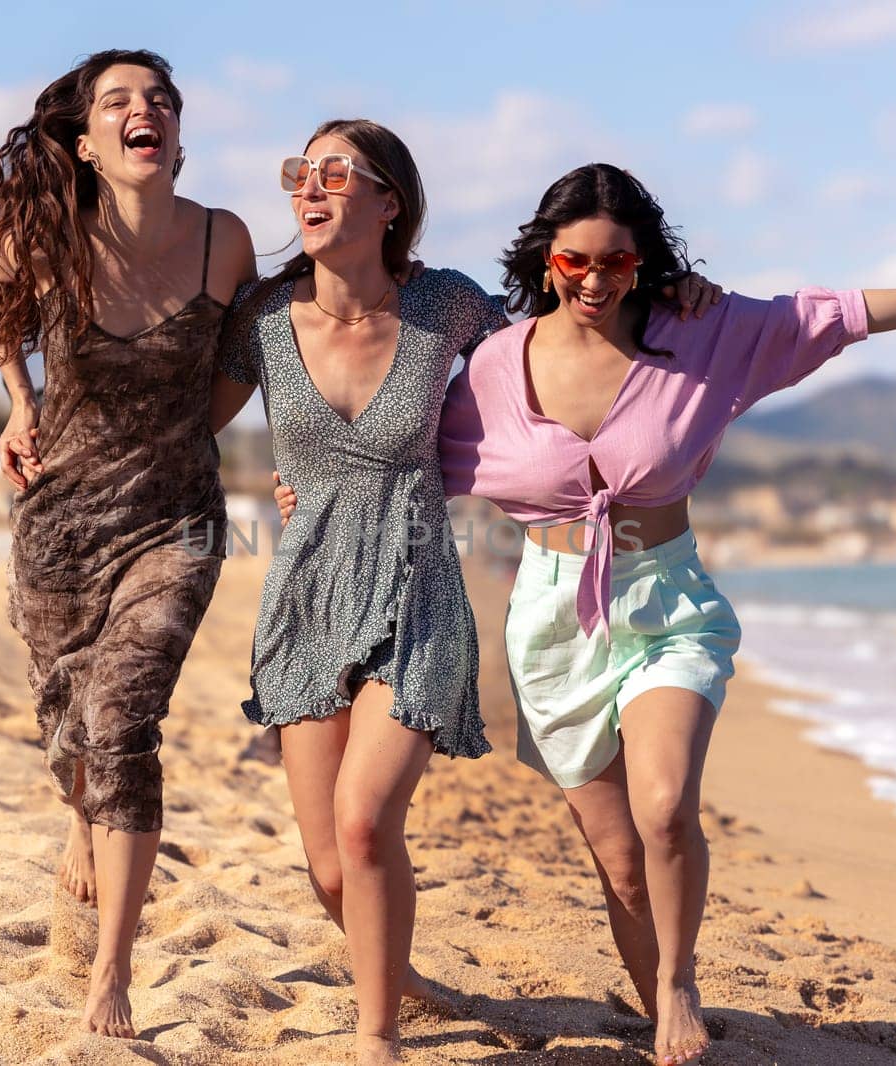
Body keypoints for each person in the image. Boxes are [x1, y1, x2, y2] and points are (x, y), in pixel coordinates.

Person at [279, 162, 896, 1064]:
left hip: (669, 602)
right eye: (575, 263)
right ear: (546, 260)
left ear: (643, 262)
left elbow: (830, 315)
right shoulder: (494, 365)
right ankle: (659, 1016)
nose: (596, 282)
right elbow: (398, 463)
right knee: (619, 864)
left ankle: (679, 985)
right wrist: (313, 496)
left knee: (665, 805)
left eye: (616, 262)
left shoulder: (702, 332)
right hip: (553, 623)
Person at [211, 124, 716, 1065]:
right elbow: (184, 423)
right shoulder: (262, 320)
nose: (307, 190)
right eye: (298, 175)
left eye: (333, 174)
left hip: (415, 592)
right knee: (330, 865)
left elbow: (568, 333)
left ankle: (377, 1036)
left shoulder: (446, 308)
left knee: (366, 822)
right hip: (305, 593)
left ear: (389, 201)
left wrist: (673, 298)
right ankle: (395, 976)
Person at [0, 49, 257, 1039]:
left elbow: (248, 358)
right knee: (67, 726)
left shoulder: (223, 239)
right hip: (62, 521)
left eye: (159, 100)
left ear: (175, 132)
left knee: (120, 724)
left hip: (177, 519)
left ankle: (111, 972)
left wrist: (184, 437)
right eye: (118, 102)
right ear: (84, 141)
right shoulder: (53, 237)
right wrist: (19, 399)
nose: (143, 111)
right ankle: (79, 813)